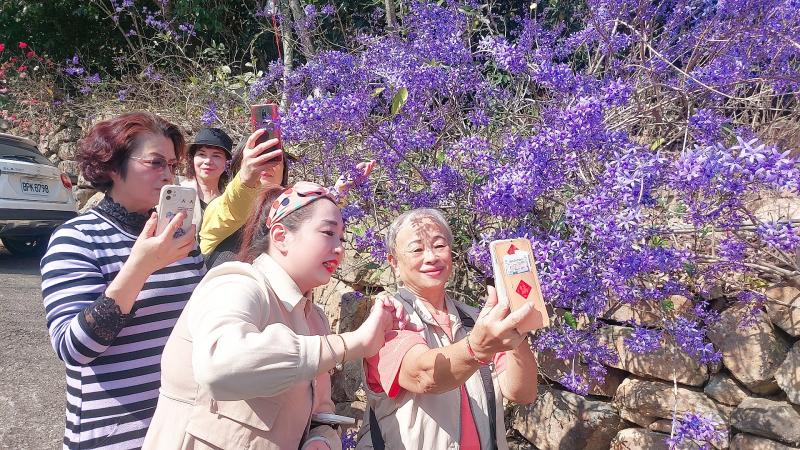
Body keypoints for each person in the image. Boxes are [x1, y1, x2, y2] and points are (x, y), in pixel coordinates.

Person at [143, 182, 415, 450]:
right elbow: (220, 366)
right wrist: (352, 343)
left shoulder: (315, 319)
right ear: (281, 236)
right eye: (328, 233)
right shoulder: (236, 284)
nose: (339, 248)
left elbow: (320, 411)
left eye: (341, 238)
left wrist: (321, 439)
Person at [40, 112, 206, 449]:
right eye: (155, 163)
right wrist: (140, 267)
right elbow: (74, 349)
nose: (168, 175)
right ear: (113, 166)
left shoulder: (180, 238)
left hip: (180, 430)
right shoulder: (77, 238)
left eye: (172, 165)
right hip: (113, 435)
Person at [357, 208, 540, 450]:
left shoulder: (475, 319)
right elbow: (424, 375)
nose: (431, 257)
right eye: (417, 249)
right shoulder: (388, 318)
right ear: (395, 263)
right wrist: (477, 348)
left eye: (439, 245)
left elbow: (522, 393)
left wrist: (516, 327)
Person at [200, 128, 376, 268]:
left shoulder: (288, 211)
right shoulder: (219, 209)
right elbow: (234, 205)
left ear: (284, 169)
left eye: (274, 157)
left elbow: (310, 215)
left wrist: (339, 191)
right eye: (258, 157)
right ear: (240, 166)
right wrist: (246, 178)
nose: (266, 164)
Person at [181, 127, 234, 226]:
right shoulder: (178, 191)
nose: (208, 161)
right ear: (192, 158)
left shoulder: (231, 200)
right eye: (202, 154)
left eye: (216, 155)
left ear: (227, 162)